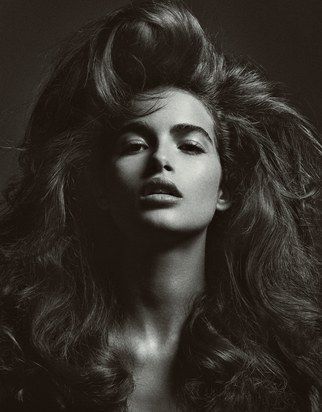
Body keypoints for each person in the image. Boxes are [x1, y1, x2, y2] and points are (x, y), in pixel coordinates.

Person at [0, 1, 320, 411]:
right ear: (101, 189)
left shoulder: (288, 365)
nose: (160, 160)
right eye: (134, 144)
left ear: (226, 189)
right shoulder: (29, 358)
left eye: (190, 145)